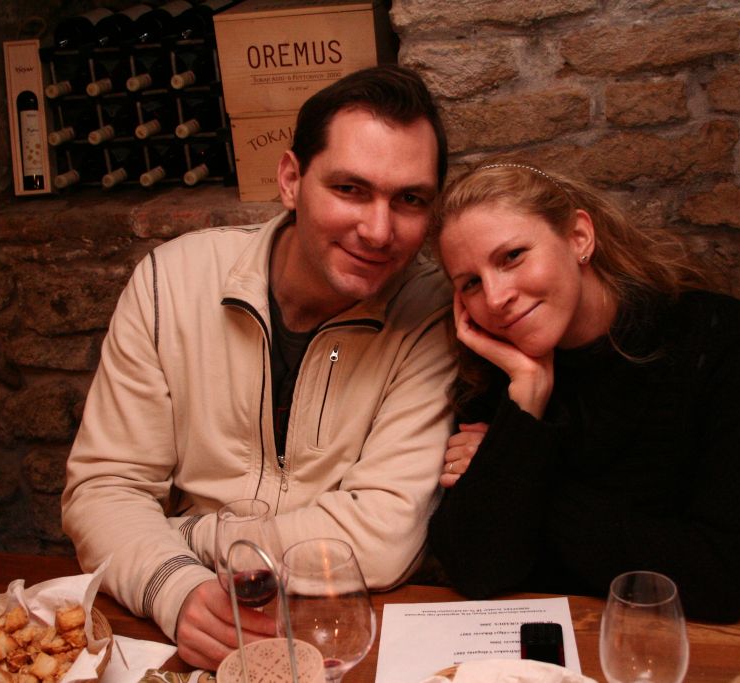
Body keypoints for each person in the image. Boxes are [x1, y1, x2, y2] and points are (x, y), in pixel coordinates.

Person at [61, 65, 455, 669]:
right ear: (292, 180)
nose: (379, 231)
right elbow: (104, 488)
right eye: (350, 189)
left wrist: (190, 535)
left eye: (409, 200)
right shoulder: (173, 280)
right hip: (191, 622)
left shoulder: (429, 312)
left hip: (338, 634)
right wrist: (175, 586)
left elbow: (382, 539)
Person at [426, 161, 740, 622]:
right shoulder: (492, 369)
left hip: (669, 639)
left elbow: (720, 579)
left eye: (511, 257)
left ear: (579, 238)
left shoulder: (718, 338)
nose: (495, 299)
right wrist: (528, 395)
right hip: (541, 639)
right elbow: (476, 571)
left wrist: (519, 466)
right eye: (470, 283)